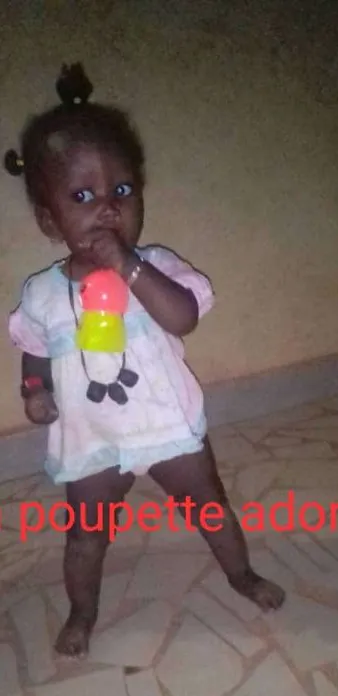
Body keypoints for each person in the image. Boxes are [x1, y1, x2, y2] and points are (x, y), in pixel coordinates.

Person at [5, 64, 285, 658]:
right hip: (93, 437)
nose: (107, 208)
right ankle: (83, 610)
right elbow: (32, 344)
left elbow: (182, 316)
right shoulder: (43, 294)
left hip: (165, 425)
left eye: (122, 191)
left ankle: (240, 575)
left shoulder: (155, 265)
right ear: (50, 220)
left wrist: (130, 267)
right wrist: (34, 388)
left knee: (210, 506)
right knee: (86, 535)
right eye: (83, 197)